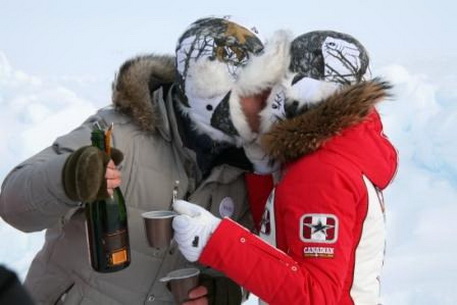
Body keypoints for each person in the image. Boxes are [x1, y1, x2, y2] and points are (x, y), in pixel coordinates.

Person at [0, 16, 266, 305]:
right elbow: (14, 205)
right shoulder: (118, 133)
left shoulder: (247, 171)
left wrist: (224, 291)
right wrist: (70, 178)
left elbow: (252, 260)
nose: (257, 106)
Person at [171, 30, 398, 305]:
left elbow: (314, 296)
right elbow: (284, 238)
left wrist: (214, 240)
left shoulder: (321, 173)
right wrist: (263, 165)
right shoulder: (340, 150)